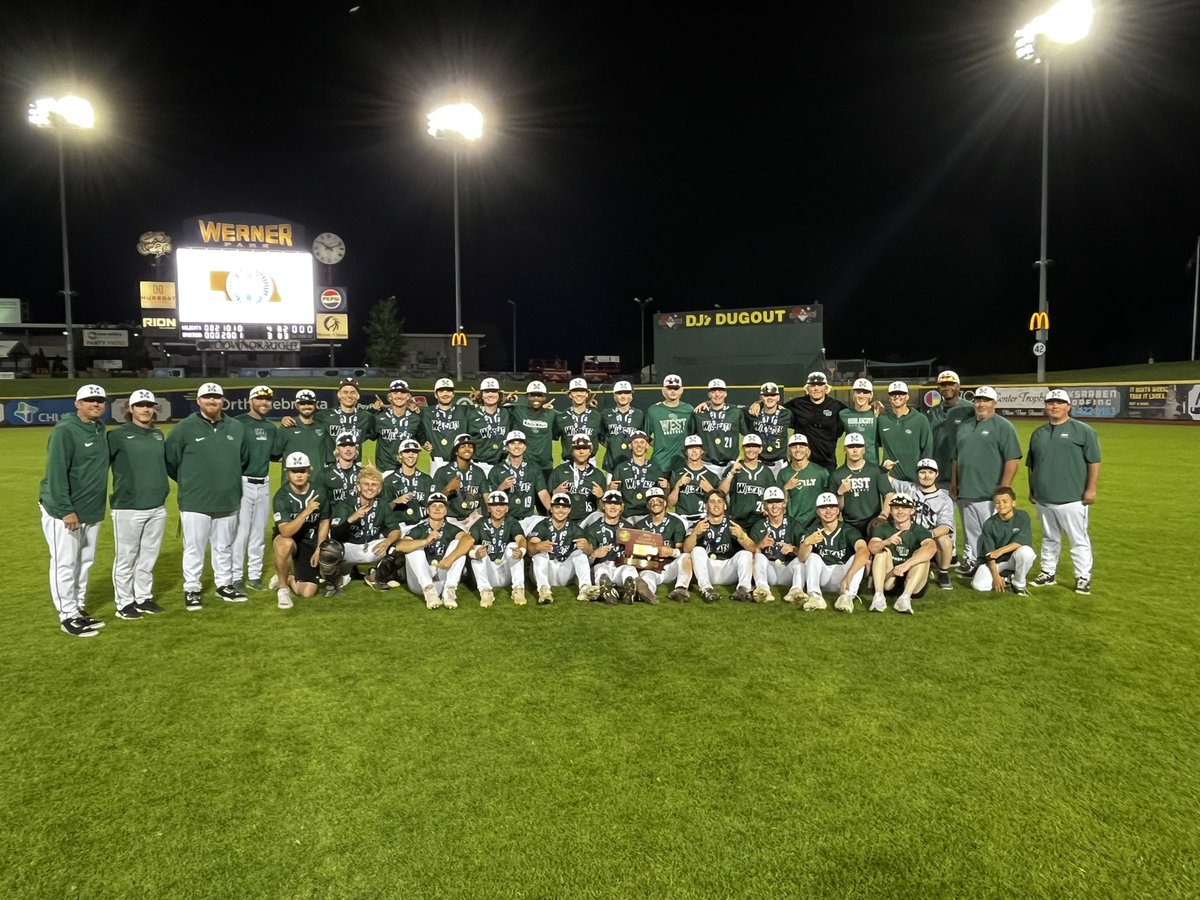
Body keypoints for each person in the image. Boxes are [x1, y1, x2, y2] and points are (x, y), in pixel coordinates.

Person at [164, 382, 248, 611]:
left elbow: (243, 458)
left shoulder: (236, 427)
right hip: (195, 501)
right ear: (199, 401)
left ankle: (224, 584)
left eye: (217, 397)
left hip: (227, 499)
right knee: (194, 547)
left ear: (223, 400)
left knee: (224, 546)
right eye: (207, 397)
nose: (212, 401)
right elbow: (170, 461)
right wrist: (191, 482)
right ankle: (192, 588)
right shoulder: (184, 427)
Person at [39, 384, 111, 636]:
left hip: (91, 509)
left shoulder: (100, 428)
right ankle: (67, 615)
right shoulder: (65, 431)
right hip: (65, 511)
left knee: (85, 562)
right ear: (77, 403)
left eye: (100, 400)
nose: (96, 404)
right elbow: (56, 473)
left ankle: (78, 608)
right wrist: (65, 509)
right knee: (65, 563)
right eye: (90, 400)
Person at [1026, 388, 1102, 595]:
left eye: (1059, 403)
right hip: (1044, 497)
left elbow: (1094, 462)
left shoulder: (1083, 430)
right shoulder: (1039, 433)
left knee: (1078, 539)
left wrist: (1091, 488)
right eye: (1050, 403)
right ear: (1046, 407)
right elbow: (1031, 465)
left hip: (1072, 497)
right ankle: (1047, 573)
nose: (1054, 406)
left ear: (1068, 406)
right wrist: (1032, 489)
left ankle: (1083, 577)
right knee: (1049, 538)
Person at [108, 388, 169, 620]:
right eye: (141, 405)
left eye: (149, 405)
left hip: (156, 505)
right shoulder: (117, 435)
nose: (146, 409)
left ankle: (143, 597)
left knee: (148, 556)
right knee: (126, 557)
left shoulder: (157, 435)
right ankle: (124, 602)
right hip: (128, 506)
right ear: (130, 409)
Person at [951, 385, 1022, 575]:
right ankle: (971, 560)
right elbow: (956, 458)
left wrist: (1004, 487)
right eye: (978, 400)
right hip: (966, 488)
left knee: (991, 531)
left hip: (990, 491)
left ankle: (997, 565)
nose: (981, 404)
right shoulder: (964, 425)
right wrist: (954, 484)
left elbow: (1013, 458)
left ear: (994, 404)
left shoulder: (1003, 426)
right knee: (970, 531)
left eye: (986, 400)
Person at [326, 464, 403, 595]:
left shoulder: (383, 506)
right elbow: (334, 535)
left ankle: (377, 577)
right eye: (366, 484)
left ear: (379, 489)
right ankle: (332, 581)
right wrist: (351, 519)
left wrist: (388, 541)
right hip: (349, 548)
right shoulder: (345, 504)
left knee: (400, 547)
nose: (369, 488)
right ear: (358, 487)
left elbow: (395, 529)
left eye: (374, 485)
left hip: (371, 547)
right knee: (329, 548)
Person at [270, 451, 330, 609]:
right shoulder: (281, 497)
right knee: (284, 543)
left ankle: (287, 578)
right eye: (294, 471)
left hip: (309, 543)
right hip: (291, 541)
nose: (299, 475)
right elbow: (285, 532)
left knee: (307, 593)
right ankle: (283, 590)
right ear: (287, 472)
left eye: (302, 471)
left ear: (309, 471)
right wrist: (306, 511)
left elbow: (324, 521)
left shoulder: (319, 492)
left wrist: (319, 547)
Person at [396, 492, 475, 609]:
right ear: (427, 510)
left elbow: (469, 540)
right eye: (433, 506)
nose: (437, 509)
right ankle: (429, 593)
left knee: (459, 547)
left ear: (446, 511)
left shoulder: (451, 528)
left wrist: (450, 558)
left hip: (442, 579)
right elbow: (400, 546)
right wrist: (425, 541)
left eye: (441, 506)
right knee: (413, 549)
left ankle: (450, 592)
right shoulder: (420, 528)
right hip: (420, 583)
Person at [233, 384, 277, 593]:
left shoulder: (270, 427)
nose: (264, 402)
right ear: (250, 401)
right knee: (240, 533)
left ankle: (254, 575)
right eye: (260, 399)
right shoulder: (237, 423)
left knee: (259, 532)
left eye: (268, 399)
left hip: (264, 482)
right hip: (242, 482)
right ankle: (235, 576)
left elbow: (276, 455)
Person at [795, 492, 869, 612]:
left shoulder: (848, 530)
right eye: (823, 508)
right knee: (812, 557)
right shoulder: (812, 530)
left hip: (843, 576)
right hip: (823, 576)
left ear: (838, 510)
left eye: (832, 507)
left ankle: (846, 597)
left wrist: (849, 575)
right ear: (818, 512)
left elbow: (864, 552)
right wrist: (806, 543)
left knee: (859, 557)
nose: (828, 511)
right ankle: (815, 597)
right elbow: (802, 559)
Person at [890, 458, 956, 590]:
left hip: (930, 537)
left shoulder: (944, 499)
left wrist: (928, 534)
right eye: (923, 472)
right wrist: (886, 469)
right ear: (917, 474)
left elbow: (946, 527)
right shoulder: (908, 488)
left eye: (930, 472)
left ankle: (943, 572)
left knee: (945, 541)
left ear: (936, 474)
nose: (926, 476)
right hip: (908, 534)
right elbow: (887, 480)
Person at [867, 494, 936, 614]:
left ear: (912, 510)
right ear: (890, 510)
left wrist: (907, 565)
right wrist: (886, 542)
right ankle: (879, 596)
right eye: (896, 508)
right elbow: (872, 548)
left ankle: (905, 598)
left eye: (904, 508)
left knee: (923, 557)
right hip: (889, 578)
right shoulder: (883, 528)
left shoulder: (919, 530)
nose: (900, 511)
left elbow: (932, 548)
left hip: (912, 579)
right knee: (881, 552)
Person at [681, 491, 755, 603]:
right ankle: (706, 588)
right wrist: (695, 534)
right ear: (706, 506)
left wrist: (743, 537)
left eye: (720, 501)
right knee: (697, 550)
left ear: (725, 505)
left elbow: (753, 549)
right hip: (707, 569)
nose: (716, 505)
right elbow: (686, 549)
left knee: (746, 554)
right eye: (712, 502)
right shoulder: (699, 525)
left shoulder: (733, 525)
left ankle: (743, 589)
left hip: (727, 568)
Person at [626, 485, 692, 603]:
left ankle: (680, 589)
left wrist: (671, 552)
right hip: (650, 565)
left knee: (686, 557)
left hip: (670, 566)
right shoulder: (641, 525)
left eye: (659, 500)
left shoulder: (676, 523)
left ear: (665, 503)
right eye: (651, 501)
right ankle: (645, 593)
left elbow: (681, 549)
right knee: (646, 577)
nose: (655, 503)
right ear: (647, 505)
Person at [527, 494, 593, 604]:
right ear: (551, 509)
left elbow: (590, 552)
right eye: (557, 507)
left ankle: (585, 588)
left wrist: (587, 547)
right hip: (546, 571)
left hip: (564, 572)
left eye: (565, 507)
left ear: (569, 510)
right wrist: (537, 546)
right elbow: (530, 549)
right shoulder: (542, 525)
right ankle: (543, 590)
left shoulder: (574, 528)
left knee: (580, 554)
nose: (561, 510)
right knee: (540, 554)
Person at [970, 487, 1036, 596]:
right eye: (997, 502)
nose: (1001, 505)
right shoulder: (989, 524)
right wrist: (996, 577)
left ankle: (1018, 585)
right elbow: (990, 555)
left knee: (1026, 552)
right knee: (979, 586)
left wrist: (1000, 551)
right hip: (997, 563)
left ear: (1013, 503)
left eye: (1005, 501)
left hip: (1014, 559)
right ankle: (1007, 579)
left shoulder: (1023, 516)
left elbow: (1021, 542)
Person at [468, 491, 529, 607]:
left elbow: (521, 539)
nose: (498, 509)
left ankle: (518, 589)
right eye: (494, 505)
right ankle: (485, 591)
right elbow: (469, 543)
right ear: (489, 508)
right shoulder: (480, 523)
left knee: (514, 547)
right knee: (477, 550)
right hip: (489, 572)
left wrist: (522, 551)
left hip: (506, 572)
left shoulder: (511, 522)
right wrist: (474, 553)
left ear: (506, 508)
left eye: (501, 505)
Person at [829, 432, 894, 536]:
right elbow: (836, 509)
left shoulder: (876, 470)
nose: (855, 450)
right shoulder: (837, 475)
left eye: (858, 447)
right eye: (851, 447)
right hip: (850, 526)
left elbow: (889, 494)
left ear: (864, 449)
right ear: (844, 450)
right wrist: (840, 493)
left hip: (874, 523)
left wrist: (883, 515)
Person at [582, 490, 639, 603]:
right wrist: (594, 554)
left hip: (620, 565)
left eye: (616, 504)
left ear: (621, 507)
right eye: (609, 503)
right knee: (601, 571)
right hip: (601, 564)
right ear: (603, 506)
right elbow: (585, 561)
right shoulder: (593, 528)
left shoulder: (629, 528)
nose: (613, 507)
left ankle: (629, 589)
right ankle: (607, 589)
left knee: (629, 570)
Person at [489, 430, 553, 530]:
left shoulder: (533, 468)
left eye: (520, 443)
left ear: (525, 447)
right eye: (512, 443)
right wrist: (501, 488)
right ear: (506, 447)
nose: (517, 446)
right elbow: (490, 499)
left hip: (529, 519)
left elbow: (543, 492)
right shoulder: (497, 470)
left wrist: (552, 510)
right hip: (506, 520)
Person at [748, 486, 802, 603]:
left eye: (778, 502)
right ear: (764, 505)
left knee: (799, 562)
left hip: (788, 568)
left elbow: (804, 554)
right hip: (769, 570)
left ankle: (796, 590)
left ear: (784, 504)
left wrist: (793, 549)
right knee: (759, 557)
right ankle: (763, 590)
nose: (774, 506)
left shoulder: (794, 525)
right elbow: (751, 557)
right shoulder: (758, 526)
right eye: (770, 502)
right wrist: (759, 546)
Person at [784, 371, 847, 471]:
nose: (816, 388)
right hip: (801, 462)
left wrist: (873, 405)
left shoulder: (837, 406)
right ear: (808, 388)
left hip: (827, 462)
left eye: (820, 385)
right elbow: (774, 408)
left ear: (826, 388)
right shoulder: (797, 404)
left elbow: (855, 413)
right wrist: (759, 403)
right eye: (813, 385)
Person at [719, 433, 776, 530]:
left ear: (760, 449)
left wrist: (768, 509)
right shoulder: (734, 468)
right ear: (743, 448)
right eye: (748, 446)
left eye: (755, 446)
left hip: (759, 521)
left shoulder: (766, 472)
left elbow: (773, 497)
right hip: (737, 521)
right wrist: (731, 474)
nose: (751, 450)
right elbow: (721, 493)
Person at [878, 381, 932, 483]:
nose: (897, 396)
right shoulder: (882, 420)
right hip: (890, 478)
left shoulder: (920, 419)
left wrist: (924, 475)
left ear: (907, 396)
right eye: (893, 394)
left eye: (901, 393)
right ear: (889, 398)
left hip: (914, 479)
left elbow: (927, 450)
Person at [509, 380, 564, 481]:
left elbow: (569, 417)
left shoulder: (552, 414)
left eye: (539, 395)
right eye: (532, 395)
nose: (536, 398)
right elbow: (497, 408)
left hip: (545, 466)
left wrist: (586, 406)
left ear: (544, 397)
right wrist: (504, 399)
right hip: (524, 465)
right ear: (527, 396)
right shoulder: (518, 410)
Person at [927, 370, 972, 490]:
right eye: (943, 385)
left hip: (965, 475)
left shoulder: (970, 410)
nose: (947, 387)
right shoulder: (932, 412)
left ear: (958, 386)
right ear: (938, 388)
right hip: (939, 474)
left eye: (951, 384)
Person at [315, 376, 376, 463]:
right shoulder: (325, 416)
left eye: (352, 392)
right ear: (339, 395)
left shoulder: (366, 417)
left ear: (358, 396)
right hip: (332, 465)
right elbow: (305, 422)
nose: (349, 395)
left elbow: (377, 432)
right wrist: (288, 418)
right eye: (345, 392)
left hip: (356, 465)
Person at [548, 434, 609, 523]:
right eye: (577, 448)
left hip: (588, 521)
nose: (581, 452)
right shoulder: (559, 471)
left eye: (585, 448)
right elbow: (547, 498)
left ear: (590, 451)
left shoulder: (598, 475)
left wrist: (601, 497)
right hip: (563, 519)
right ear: (572, 451)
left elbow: (606, 507)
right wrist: (554, 493)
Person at [610, 430, 669, 518]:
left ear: (647, 445)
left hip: (649, 515)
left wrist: (666, 487)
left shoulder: (655, 468)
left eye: (642, 442)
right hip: (627, 515)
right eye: (636, 442)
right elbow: (612, 495)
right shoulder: (621, 468)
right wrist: (610, 488)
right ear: (630, 446)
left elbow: (663, 496)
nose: (639, 445)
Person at [371, 379, 427, 473]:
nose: (399, 396)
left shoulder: (415, 419)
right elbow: (366, 434)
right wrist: (373, 410)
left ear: (408, 397)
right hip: (385, 470)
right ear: (390, 397)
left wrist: (427, 444)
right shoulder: (379, 418)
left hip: (407, 470)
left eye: (403, 393)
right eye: (395, 393)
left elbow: (423, 440)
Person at [433, 433, 489, 525]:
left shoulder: (478, 472)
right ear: (456, 451)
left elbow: (486, 496)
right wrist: (448, 489)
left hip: (472, 517)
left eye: (470, 446)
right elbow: (434, 501)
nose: (467, 449)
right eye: (463, 446)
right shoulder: (443, 471)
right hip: (450, 520)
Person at [687, 378, 745, 465]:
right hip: (706, 463)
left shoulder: (735, 412)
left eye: (720, 391)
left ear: (725, 394)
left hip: (730, 463)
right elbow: (689, 436)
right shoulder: (699, 413)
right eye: (713, 392)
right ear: (709, 394)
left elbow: (747, 434)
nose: (717, 394)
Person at [380, 438, 436, 529]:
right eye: (407, 452)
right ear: (400, 455)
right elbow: (381, 511)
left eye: (414, 452)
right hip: (400, 526)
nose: (411, 455)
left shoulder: (426, 479)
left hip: (423, 525)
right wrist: (395, 502)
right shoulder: (389, 481)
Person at [778, 433, 829, 534]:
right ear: (789, 450)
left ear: (807, 450)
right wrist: (786, 488)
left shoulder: (821, 473)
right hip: (792, 525)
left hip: (815, 524)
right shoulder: (783, 473)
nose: (798, 450)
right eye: (794, 446)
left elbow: (828, 501)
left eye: (801, 446)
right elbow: (778, 505)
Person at [273, 390, 332, 475]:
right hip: (292, 484)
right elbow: (274, 455)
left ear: (315, 405)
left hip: (317, 483)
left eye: (310, 403)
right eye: (302, 404)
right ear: (296, 406)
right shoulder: (286, 428)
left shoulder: (322, 428)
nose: (306, 406)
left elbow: (329, 457)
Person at [667, 434, 721, 527]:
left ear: (702, 451)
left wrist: (710, 491)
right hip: (682, 519)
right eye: (690, 448)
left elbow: (721, 505)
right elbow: (670, 504)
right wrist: (677, 487)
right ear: (685, 452)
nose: (694, 451)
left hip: (703, 518)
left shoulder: (712, 476)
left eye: (697, 448)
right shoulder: (677, 474)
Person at [645, 373, 694, 477]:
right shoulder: (654, 410)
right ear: (663, 390)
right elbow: (645, 435)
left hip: (682, 462)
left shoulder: (689, 410)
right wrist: (658, 443)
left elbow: (694, 434)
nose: (672, 391)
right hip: (659, 462)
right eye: (669, 388)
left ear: (682, 390)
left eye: (676, 388)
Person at [423, 377, 473, 468]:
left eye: (449, 391)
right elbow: (413, 425)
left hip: (460, 462)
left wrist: (480, 399)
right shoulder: (427, 413)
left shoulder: (464, 411)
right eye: (441, 391)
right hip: (436, 463)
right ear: (435, 394)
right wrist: (422, 441)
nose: (445, 394)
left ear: (453, 394)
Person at [746, 382, 793, 471]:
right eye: (766, 395)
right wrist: (758, 403)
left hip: (780, 464)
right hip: (758, 463)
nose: (770, 398)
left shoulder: (786, 414)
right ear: (761, 397)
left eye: (773, 395)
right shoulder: (752, 413)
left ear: (778, 397)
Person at [469, 377, 513, 472]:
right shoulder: (472, 414)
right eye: (487, 392)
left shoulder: (506, 413)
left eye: (493, 391)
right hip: (479, 466)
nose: (490, 394)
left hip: (502, 465)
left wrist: (542, 408)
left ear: (498, 394)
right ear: (481, 395)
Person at [598, 380, 645, 470]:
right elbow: (600, 437)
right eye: (619, 393)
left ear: (631, 395)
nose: (623, 396)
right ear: (614, 395)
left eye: (626, 393)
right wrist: (613, 445)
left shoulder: (639, 414)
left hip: (634, 464)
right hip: (612, 464)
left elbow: (644, 436)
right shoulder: (605, 414)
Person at [557, 377, 603, 464]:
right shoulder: (561, 417)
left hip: (590, 462)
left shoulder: (597, 417)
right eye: (575, 391)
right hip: (567, 462)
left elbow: (604, 439)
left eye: (582, 391)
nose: (579, 394)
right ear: (570, 394)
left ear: (587, 394)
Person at [839, 378, 882, 465]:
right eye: (858, 392)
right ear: (853, 394)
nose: (861, 396)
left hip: (872, 464)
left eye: (865, 392)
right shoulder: (843, 414)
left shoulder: (878, 413)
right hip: (851, 464)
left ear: (871, 395)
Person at [324, 431, 362, 508]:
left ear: (356, 449)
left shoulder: (363, 473)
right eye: (343, 445)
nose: (348, 449)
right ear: (337, 449)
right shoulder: (325, 474)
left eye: (351, 445)